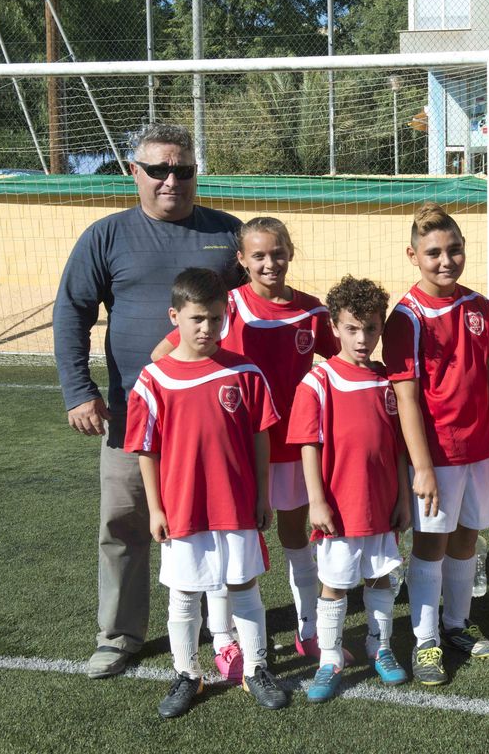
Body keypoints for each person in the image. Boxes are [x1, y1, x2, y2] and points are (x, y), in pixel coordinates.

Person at [53, 123, 242, 679]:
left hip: (214, 420)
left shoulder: (229, 234)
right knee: (125, 524)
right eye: (157, 169)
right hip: (134, 418)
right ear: (133, 172)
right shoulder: (105, 236)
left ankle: (222, 630)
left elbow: (260, 312)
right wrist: (77, 390)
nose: (169, 180)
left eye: (181, 170)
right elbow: (72, 313)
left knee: (219, 525)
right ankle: (118, 635)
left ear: (194, 174)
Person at [150, 216, 338, 680]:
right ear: (242, 260)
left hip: (294, 446)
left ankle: (308, 628)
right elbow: (163, 356)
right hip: (236, 453)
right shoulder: (223, 308)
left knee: (298, 539)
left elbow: (339, 363)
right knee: (224, 548)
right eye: (258, 255)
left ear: (290, 252)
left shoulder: (312, 312)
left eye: (277, 253)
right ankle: (226, 641)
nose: (269, 262)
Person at [124, 268, 288, 717]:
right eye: (197, 318)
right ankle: (187, 673)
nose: (207, 329)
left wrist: (262, 495)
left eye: (216, 319)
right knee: (183, 592)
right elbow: (146, 450)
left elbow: (260, 436)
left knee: (244, 584)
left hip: (235, 503)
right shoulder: (154, 379)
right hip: (182, 507)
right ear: (174, 316)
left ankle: (255, 668)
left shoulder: (245, 372)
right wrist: (156, 508)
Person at [383, 202, 489, 686]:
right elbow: (407, 399)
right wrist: (422, 466)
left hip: (479, 451)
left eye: (454, 249)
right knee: (431, 544)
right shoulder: (407, 318)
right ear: (413, 255)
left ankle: (456, 625)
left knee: (467, 536)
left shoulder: (481, 307)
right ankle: (426, 640)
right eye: (433, 252)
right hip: (438, 455)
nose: (445, 260)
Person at [287, 276, 413, 701]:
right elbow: (308, 444)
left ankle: (381, 647)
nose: (363, 339)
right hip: (340, 507)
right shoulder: (319, 381)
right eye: (353, 329)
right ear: (334, 327)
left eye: (372, 329)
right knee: (336, 583)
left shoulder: (384, 379)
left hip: (381, 504)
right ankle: (329, 657)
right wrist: (317, 501)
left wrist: (402, 498)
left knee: (380, 578)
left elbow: (397, 446)